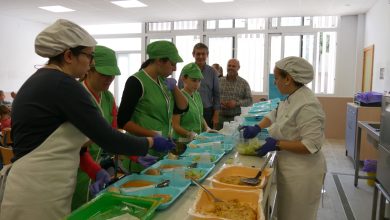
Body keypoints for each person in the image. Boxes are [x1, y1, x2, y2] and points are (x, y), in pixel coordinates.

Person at [0, 19, 174, 220]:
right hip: (39, 191)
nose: (91, 63)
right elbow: (108, 138)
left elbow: (68, 143)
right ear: (68, 56)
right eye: (89, 56)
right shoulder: (63, 85)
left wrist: (95, 170)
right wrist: (151, 142)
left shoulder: (41, 80)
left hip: (33, 184)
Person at [241, 56, 326, 220]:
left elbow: (311, 146)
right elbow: (276, 113)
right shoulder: (292, 96)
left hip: (303, 173)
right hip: (290, 167)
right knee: (285, 213)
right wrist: (258, 127)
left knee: (297, 215)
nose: (275, 82)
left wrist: (278, 144)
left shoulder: (308, 105)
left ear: (288, 79)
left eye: (277, 78)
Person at [117, 40, 188, 172]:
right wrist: (154, 136)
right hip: (142, 153)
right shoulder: (136, 82)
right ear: (160, 61)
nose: (175, 69)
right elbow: (122, 121)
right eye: (172, 64)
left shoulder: (163, 82)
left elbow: (182, 107)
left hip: (162, 152)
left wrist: (175, 88)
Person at [71, 45, 120, 210]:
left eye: (112, 75)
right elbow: (71, 143)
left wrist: (134, 154)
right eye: (104, 74)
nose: (109, 79)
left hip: (97, 167)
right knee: (76, 210)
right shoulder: (76, 96)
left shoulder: (107, 97)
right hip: (75, 167)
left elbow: (113, 134)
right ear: (89, 70)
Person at [179, 43, 220, 129]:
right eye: (198, 54)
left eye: (203, 54)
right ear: (193, 54)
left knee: (206, 137)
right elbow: (179, 89)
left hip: (207, 111)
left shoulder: (212, 72)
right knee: (190, 135)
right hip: (188, 111)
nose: (200, 56)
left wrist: (216, 114)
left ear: (207, 55)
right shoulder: (186, 70)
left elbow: (216, 94)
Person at [172, 63, 214, 140]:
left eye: (199, 81)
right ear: (183, 78)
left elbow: (200, 115)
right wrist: (189, 134)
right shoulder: (179, 98)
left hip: (196, 139)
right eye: (194, 80)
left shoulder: (197, 95)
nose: (197, 84)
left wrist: (207, 127)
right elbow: (175, 126)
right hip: (182, 142)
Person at [218, 59, 253, 128]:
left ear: (238, 68)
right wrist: (219, 102)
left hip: (236, 120)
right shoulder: (219, 81)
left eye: (233, 66)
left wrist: (236, 103)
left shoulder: (244, 83)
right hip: (220, 119)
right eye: (229, 66)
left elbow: (250, 100)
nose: (231, 68)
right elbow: (213, 97)